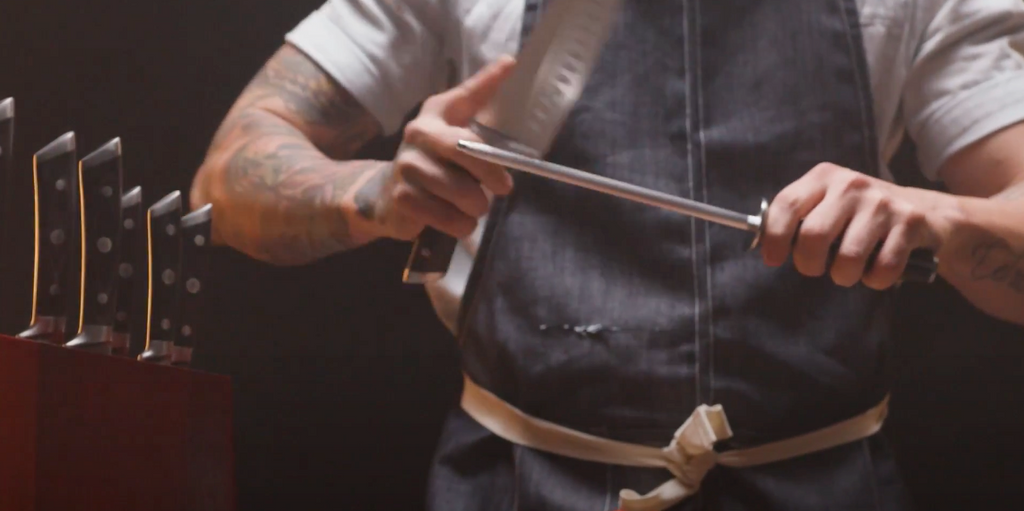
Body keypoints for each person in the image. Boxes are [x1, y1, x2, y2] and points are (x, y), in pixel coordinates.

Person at [189, 0, 1024, 509]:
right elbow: (223, 180)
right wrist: (372, 196)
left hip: (824, 488)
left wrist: (939, 218)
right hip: (516, 488)